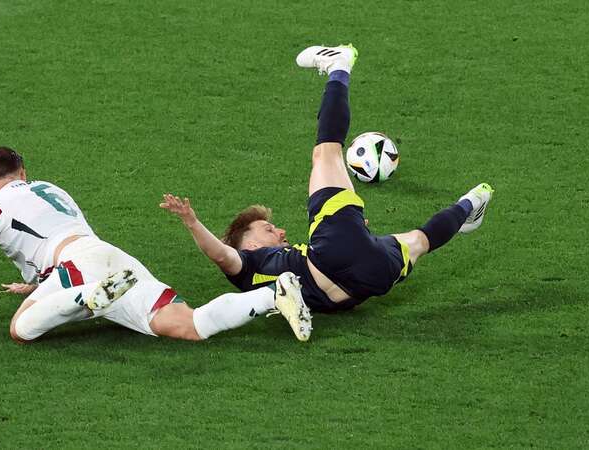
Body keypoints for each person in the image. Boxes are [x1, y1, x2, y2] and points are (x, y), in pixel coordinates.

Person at [160, 43, 494, 314]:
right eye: (267, 229)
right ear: (249, 244)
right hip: (336, 249)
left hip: (368, 280)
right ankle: (339, 65)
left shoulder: (259, 280)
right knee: (326, 153)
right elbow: (220, 254)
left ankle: (471, 203)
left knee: (420, 241)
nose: (280, 230)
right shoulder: (246, 264)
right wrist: (191, 222)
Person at [0, 147, 312, 342]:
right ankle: (272, 293)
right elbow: (56, 239)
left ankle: (84, 298)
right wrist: (32, 282)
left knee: (20, 330)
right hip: (113, 258)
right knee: (190, 325)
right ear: (24, 171)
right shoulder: (52, 189)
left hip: (79, 272)